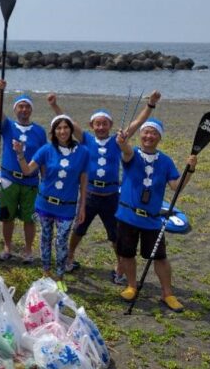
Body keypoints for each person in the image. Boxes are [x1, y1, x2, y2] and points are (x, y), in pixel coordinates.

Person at [49, 90, 161, 284]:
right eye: (97, 124)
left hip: (111, 196)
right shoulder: (87, 140)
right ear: (92, 126)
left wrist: (150, 104)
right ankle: (70, 256)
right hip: (90, 194)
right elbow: (68, 122)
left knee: (115, 234)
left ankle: (120, 267)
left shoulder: (118, 141)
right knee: (79, 228)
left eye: (104, 123)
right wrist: (54, 105)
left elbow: (136, 124)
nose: (101, 127)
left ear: (110, 125)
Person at [115, 118, 197, 312]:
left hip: (152, 219)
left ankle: (167, 293)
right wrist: (122, 141)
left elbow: (176, 186)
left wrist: (190, 170)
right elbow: (125, 150)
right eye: (146, 132)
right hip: (128, 215)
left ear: (159, 137)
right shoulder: (132, 154)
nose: (148, 136)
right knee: (126, 254)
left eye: (154, 133)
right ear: (141, 135)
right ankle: (131, 286)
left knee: (160, 258)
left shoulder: (166, 161)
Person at [14, 115, 89, 279]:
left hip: (67, 206)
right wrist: (20, 154)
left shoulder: (83, 152)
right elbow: (27, 171)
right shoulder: (46, 150)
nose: (62, 131)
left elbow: (83, 182)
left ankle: (60, 275)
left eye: (65, 127)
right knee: (45, 238)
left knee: (61, 241)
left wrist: (82, 206)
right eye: (58, 128)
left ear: (71, 129)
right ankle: (46, 272)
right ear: (53, 132)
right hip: (45, 204)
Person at [0, 79, 47, 262]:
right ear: (15, 109)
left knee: (29, 218)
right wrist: (0, 92)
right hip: (9, 179)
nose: (23, 110)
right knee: (7, 216)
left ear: (31, 110)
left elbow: (43, 158)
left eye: (27, 107)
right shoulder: (8, 126)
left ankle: (28, 250)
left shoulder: (39, 131)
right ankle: (7, 247)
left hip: (31, 181)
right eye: (20, 107)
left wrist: (45, 180)